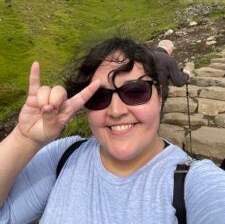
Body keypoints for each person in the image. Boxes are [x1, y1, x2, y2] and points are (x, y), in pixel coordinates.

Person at [0, 37, 225, 224]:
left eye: (136, 92)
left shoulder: (197, 184)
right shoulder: (63, 156)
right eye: (99, 97)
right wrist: (24, 138)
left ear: (160, 97)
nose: (116, 111)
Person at [153, 39, 190, 106]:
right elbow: (179, 82)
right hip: (158, 93)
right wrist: (186, 75)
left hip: (141, 91)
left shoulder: (145, 56)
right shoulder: (169, 59)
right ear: (169, 47)